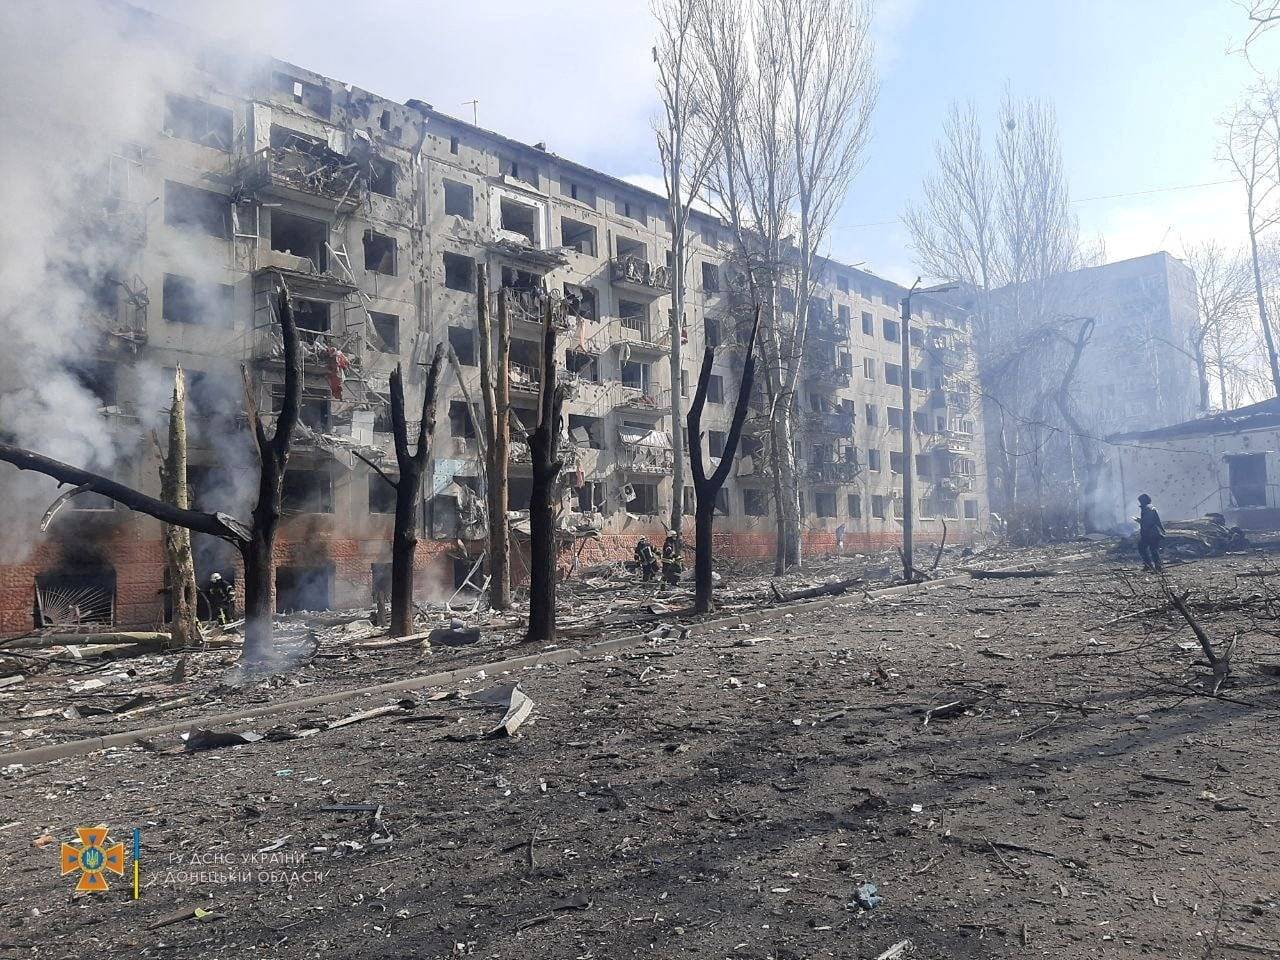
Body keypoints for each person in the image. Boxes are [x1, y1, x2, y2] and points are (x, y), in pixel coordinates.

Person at [1135, 493, 1166, 572]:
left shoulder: (1147, 508)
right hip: (1153, 532)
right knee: (1153, 549)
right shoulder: (1150, 507)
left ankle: (1150, 566)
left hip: (1150, 533)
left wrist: (1140, 522)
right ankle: (1156, 567)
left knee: (1144, 548)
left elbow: (1147, 523)